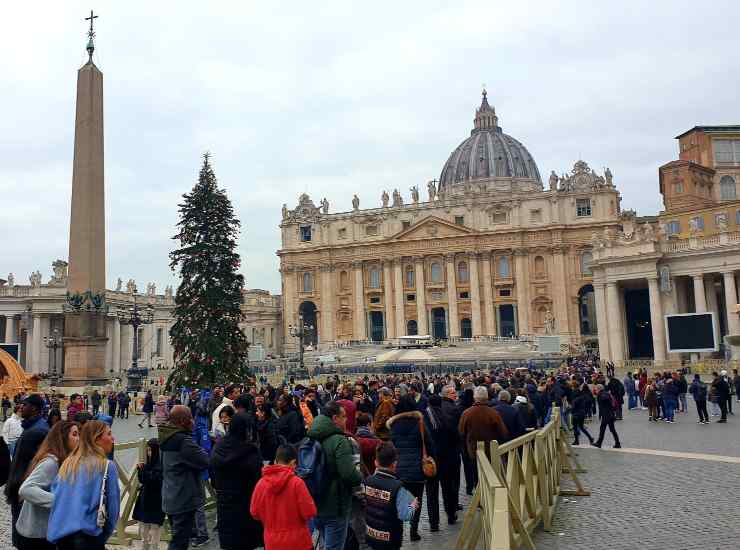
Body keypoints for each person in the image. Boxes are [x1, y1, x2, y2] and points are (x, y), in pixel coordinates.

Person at [47, 420, 120, 550]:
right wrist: (104, 535)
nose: (112, 438)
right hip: (89, 536)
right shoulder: (107, 466)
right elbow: (113, 509)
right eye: (109, 434)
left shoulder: (68, 463)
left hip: (63, 536)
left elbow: (56, 496)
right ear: (96, 439)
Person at [306, 401, 362, 550]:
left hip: (315, 502)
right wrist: (359, 476)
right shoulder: (339, 440)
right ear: (335, 418)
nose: (346, 420)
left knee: (325, 544)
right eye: (343, 417)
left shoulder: (311, 437)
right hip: (335, 506)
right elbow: (349, 474)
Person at [16, 421, 79, 550]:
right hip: (35, 536)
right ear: (63, 437)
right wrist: (60, 501)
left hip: (45, 532)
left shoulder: (64, 461)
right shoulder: (51, 462)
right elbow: (26, 489)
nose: (79, 439)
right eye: (75, 434)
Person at [159, 405, 210, 549]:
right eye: (190, 418)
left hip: (170, 495)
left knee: (179, 538)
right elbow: (205, 460)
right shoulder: (183, 442)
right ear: (182, 421)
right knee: (179, 542)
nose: (193, 421)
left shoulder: (165, 437)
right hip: (183, 498)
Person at [211, 413, 263, 550]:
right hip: (246, 506)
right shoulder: (250, 452)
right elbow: (258, 480)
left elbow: (213, 475)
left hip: (224, 504)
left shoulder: (219, 447)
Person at [250, 444, 317, 550]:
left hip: (272, 543)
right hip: (299, 542)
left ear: (276, 461)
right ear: (293, 463)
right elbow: (309, 512)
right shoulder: (297, 483)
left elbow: (254, 512)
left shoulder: (261, 484)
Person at [5, 394, 50, 548]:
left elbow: (35, 465)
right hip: (21, 487)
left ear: (34, 408)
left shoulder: (37, 431)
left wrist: (19, 488)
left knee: (23, 532)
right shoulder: (33, 427)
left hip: (23, 489)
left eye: (25, 405)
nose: (21, 407)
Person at [387, 394, 434, 541]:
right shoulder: (419, 423)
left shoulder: (393, 425)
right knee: (416, 500)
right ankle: (414, 531)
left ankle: (399, 531)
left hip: (399, 470)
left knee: (399, 501)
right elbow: (429, 443)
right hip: (416, 470)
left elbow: (391, 447)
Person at [362, 442, 419, 550]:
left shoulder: (368, 481)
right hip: (390, 540)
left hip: (372, 534)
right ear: (394, 464)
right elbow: (405, 515)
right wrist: (413, 505)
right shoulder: (398, 488)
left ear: (376, 462)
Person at [459, 386, 509, 462]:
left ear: (474, 397)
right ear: (487, 397)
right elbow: (503, 433)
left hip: (473, 451)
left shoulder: (466, 413)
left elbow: (461, 432)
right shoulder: (493, 413)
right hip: (491, 451)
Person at [133, 439, 165, 550]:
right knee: (143, 525)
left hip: (156, 499)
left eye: (150, 450)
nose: (148, 453)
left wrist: (143, 471)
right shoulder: (149, 464)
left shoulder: (160, 465)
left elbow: (152, 479)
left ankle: (154, 547)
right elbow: (143, 480)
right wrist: (141, 470)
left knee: (155, 526)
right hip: (146, 498)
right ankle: (145, 546)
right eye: (147, 450)